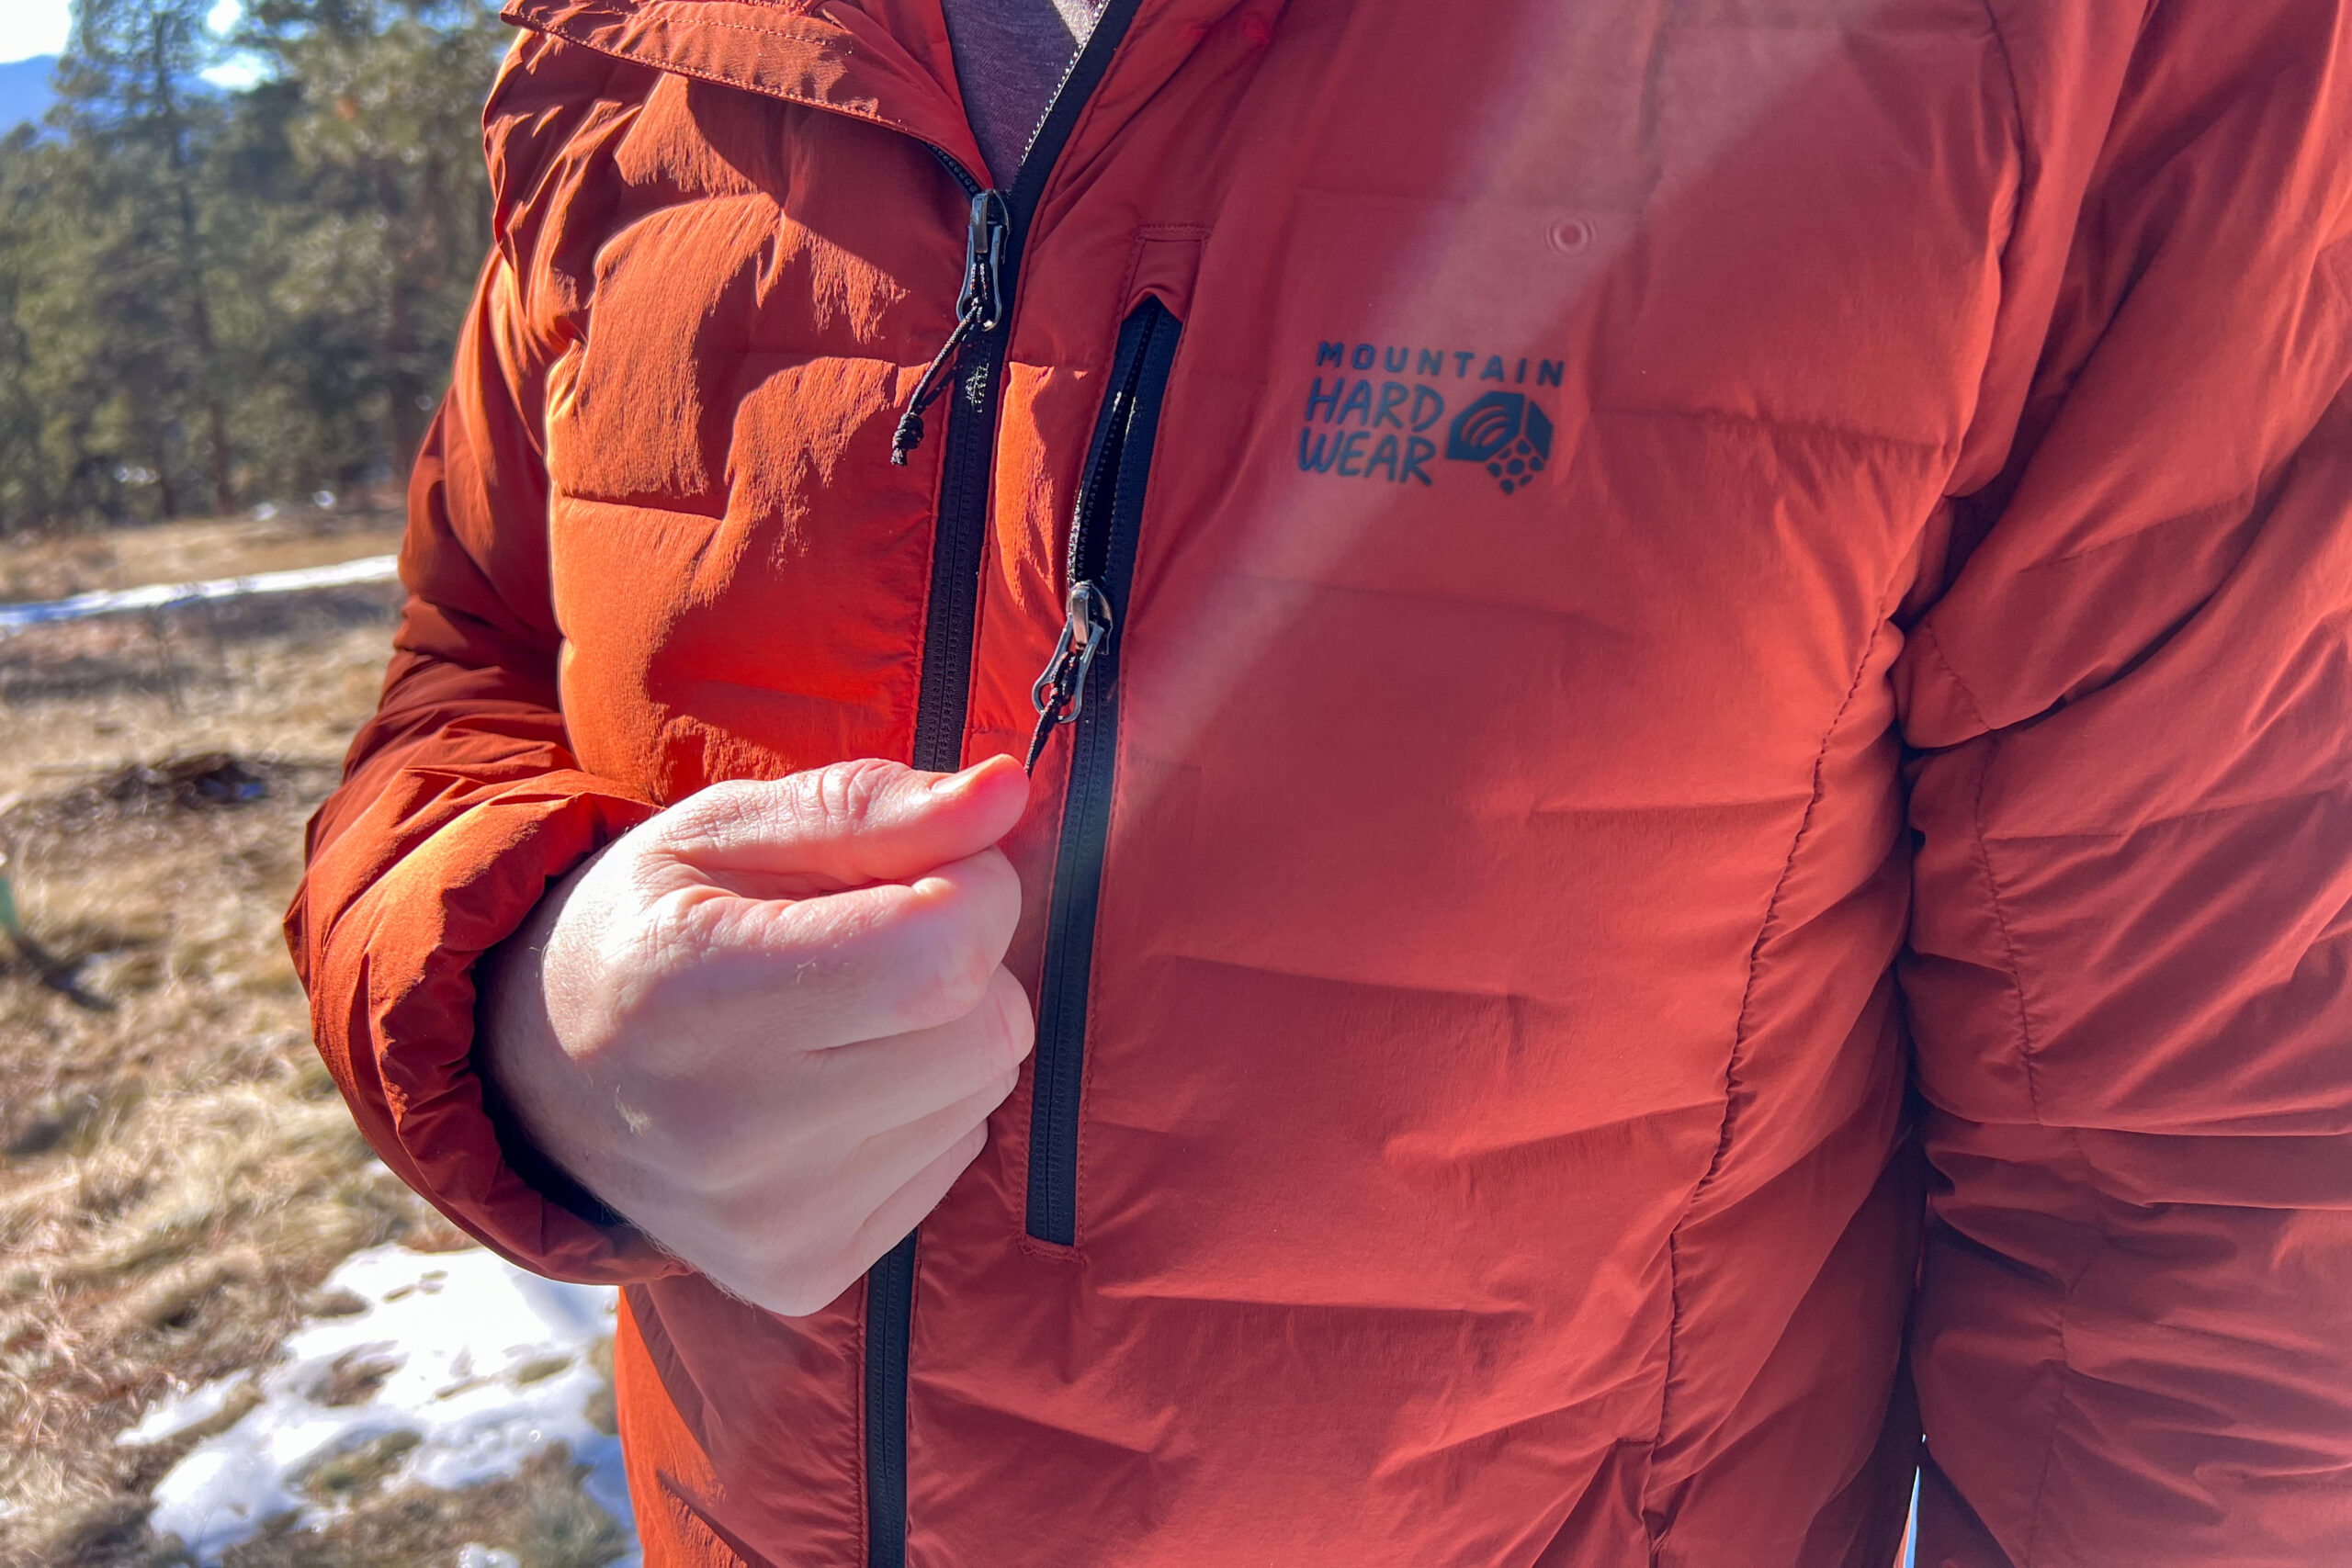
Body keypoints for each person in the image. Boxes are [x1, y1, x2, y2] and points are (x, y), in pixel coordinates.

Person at [287, 0, 2352, 1562]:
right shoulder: (630, 43)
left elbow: (2211, 1197)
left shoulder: (2098, 49)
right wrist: (529, 1012)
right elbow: (464, 675)